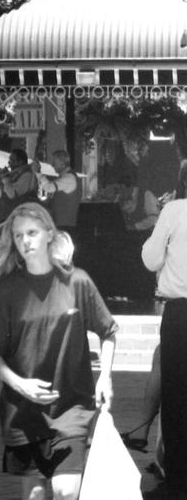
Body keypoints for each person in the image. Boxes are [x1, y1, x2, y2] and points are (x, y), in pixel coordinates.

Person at [0, 202, 117, 500]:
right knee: (36, 495)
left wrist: (105, 377)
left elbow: (108, 331)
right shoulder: (8, 290)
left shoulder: (76, 281)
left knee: (67, 491)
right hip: (24, 414)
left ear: (50, 233)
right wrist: (21, 385)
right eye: (18, 236)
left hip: (72, 409)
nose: (25, 241)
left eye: (31, 232)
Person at [142, 166, 187, 499]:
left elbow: (151, 258)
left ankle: (178, 477)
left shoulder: (174, 210)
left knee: (177, 394)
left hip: (181, 313)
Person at [36, 150, 80, 233]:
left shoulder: (69, 178)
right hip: (59, 224)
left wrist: (38, 173)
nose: (52, 165)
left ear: (62, 164)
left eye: (54, 163)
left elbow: (49, 187)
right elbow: (46, 195)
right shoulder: (61, 178)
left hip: (65, 225)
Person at [0, 149, 38, 222]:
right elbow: (2, 195)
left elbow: (12, 195)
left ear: (20, 162)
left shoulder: (27, 175)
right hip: (6, 215)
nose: (9, 163)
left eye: (12, 160)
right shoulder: (13, 175)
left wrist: (5, 178)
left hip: (17, 217)